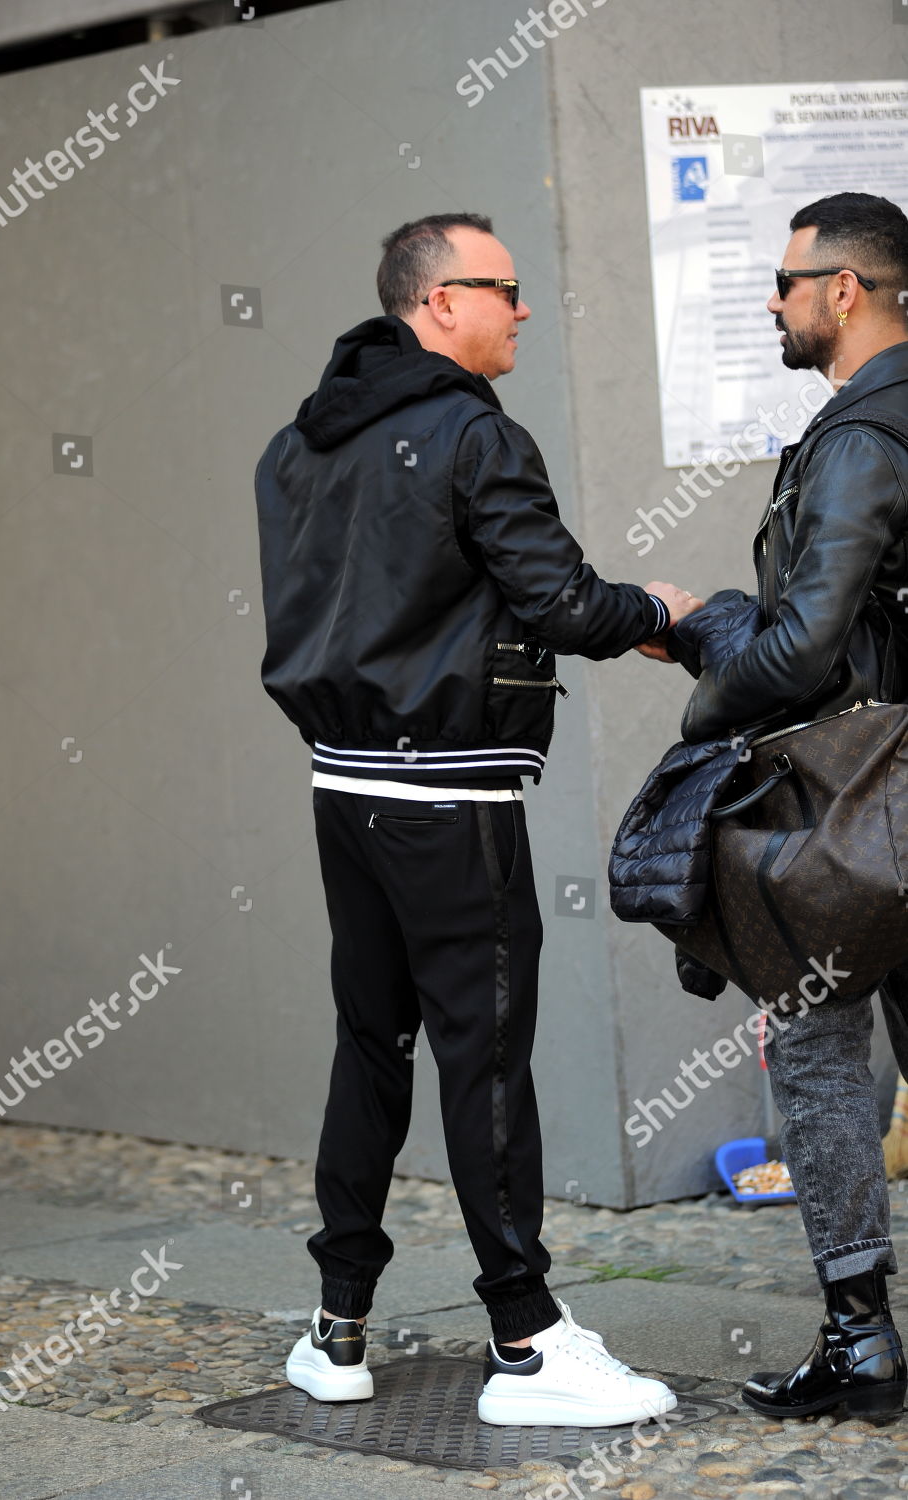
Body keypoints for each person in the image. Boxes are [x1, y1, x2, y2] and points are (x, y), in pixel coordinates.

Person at [255, 211, 699, 1427]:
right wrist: (654, 606)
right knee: (484, 1057)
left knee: (370, 1045)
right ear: (435, 302)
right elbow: (555, 598)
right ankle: (523, 1341)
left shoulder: (296, 444)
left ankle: (335, 1330)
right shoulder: (467, 431)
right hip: (447, 794)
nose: (521, 309)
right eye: (501, 288)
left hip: (344, 786)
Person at [657, 192, 908, 1421]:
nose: (772, 298)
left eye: (785, 279)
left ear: (844, 290)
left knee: (810, 1049)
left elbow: (809, 648)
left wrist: (704, 654)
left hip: (864, 802)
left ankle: (860, 1341)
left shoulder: (860, 440)